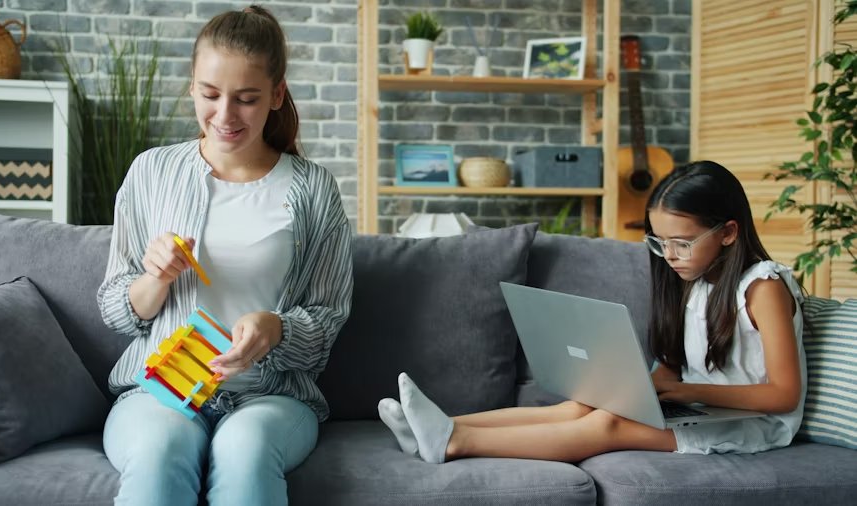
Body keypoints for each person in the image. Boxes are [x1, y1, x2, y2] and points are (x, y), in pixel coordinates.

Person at [378, 160, 806, 463]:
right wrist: (641, 388)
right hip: (703, 409)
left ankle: (454, 442)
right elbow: (674, 368)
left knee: (606, 427)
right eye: (660, 242)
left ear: (729, 232)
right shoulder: (695, 284)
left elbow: (783, 395)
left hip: (754, 424)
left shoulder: (763, 287)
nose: (670, 256)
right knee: (578, 407)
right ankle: (437, 424)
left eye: (683, 242)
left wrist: (686, 393)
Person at [97, 5, 353, 505]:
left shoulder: (314, 189)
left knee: (246, 448)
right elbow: (114, 309)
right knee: (158, 448)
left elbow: (327, 324)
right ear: (192, 86)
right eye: (210, 95)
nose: (225, 116)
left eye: (247, 99)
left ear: (277, 95)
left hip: (272, 397)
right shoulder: (151, 173)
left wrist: (276, 329)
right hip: (163, 388)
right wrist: (154, 279)